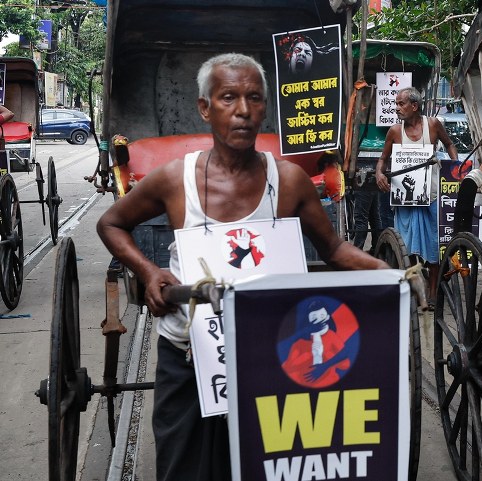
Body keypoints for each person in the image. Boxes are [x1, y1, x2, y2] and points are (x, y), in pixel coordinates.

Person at [96, 53, 387, 481]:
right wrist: (148, 271)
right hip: (189, 355)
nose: (243, 111)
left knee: (268, 470)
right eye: (228, 97)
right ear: (205, 107)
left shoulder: (287, 181)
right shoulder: (175, 179)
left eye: (254, 98)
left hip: (273, 356)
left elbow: (334, 250)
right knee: (183, 469)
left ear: (265, 108)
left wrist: (390, 275)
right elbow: (112, 224)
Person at [375, 87, 458, 304]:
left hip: (430, 194)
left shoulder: (432, 125)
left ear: (414, 106)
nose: (397, 108)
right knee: (407, 244)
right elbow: (383, 159)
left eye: (401, 104)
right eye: (396, 104)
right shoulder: (394, 131)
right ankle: (415, 283)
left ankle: (432, 289)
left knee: (432, 244)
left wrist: (454, 169)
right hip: (405, 197)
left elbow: (450, 145)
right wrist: (379, 173)